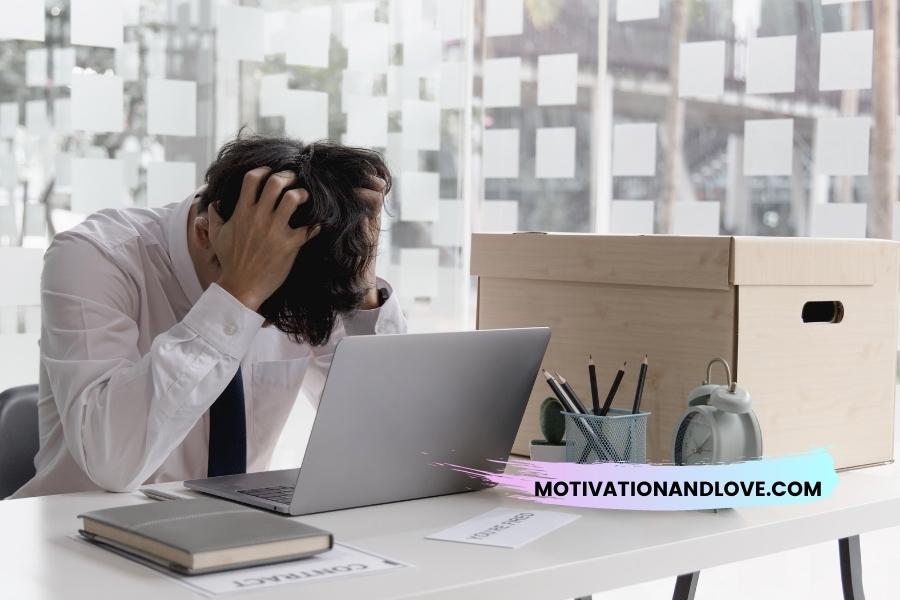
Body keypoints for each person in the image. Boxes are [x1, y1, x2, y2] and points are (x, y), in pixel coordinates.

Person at [11, 135, 406, 498]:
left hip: (229, 535)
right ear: (206, 234)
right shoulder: (96, 256)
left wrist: (361, 289)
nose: (265, 327)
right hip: (78, 539)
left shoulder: (304, 252)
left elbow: (386, 438)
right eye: (266, 312)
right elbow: (113, 464)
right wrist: (240, 293)